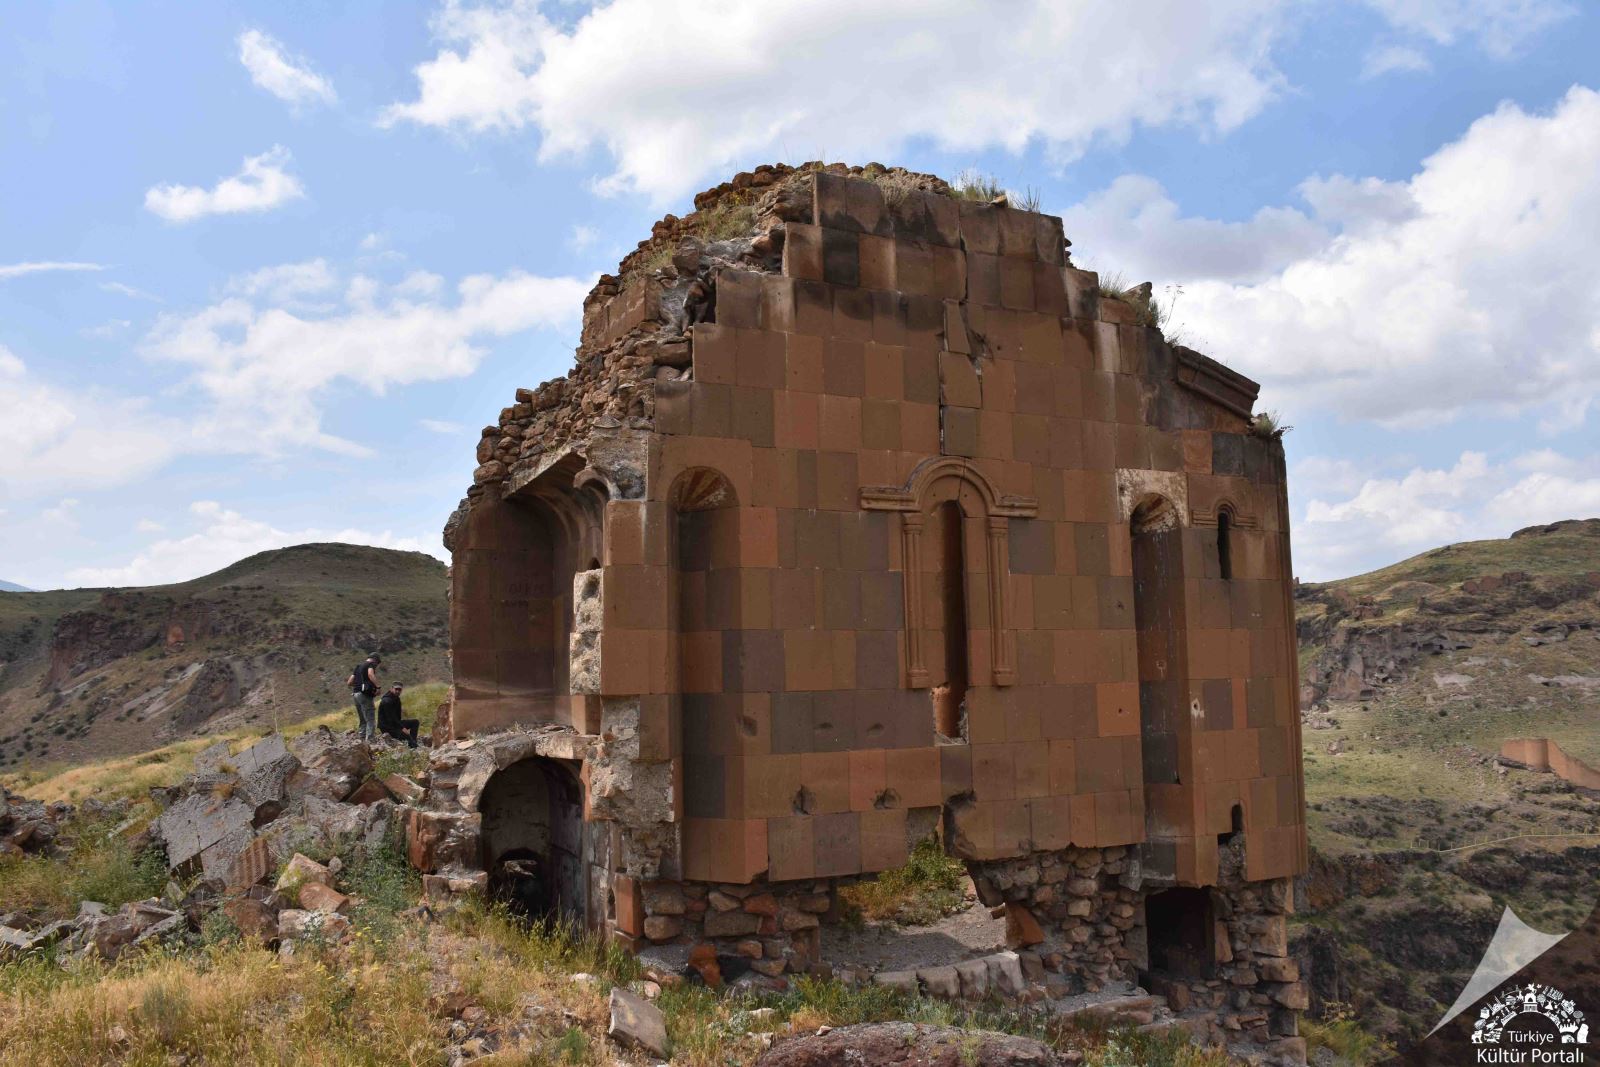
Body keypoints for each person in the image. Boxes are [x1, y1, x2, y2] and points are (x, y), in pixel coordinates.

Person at [347, 653, 381, 742]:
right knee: (370, 718)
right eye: (377, 663)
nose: (376, 665)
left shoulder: (358, 666)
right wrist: (378, 687)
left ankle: (361, 738)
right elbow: (370, 674)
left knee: (362, 718)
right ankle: (370, 740)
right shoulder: (370, 665)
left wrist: (358, 685)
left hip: (355, 694)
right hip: (364, 695)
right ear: (375, 660)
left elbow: (349, 682)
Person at [377, 683, 421, 749]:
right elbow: (391, 718)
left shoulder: (396, 699)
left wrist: (401, 726)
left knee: (415, 722)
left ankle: (413, 742)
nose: (398, 691)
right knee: (406, 736)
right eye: (396, 689)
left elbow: (397, 716)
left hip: (394, 724)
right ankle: (414, 748)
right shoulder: (387, 701)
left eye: (399, 689)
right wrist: (402, 728)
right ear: (391, 689)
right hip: (387, 727)